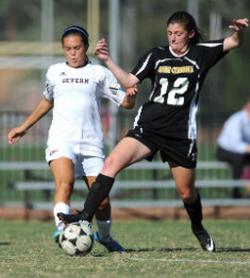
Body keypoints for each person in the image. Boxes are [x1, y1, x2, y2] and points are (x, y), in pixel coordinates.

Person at [58, 12, 249, 252]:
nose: (173, 38)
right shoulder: (156, 55)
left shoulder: (202, 53)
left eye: (178, 34)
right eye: (169, 33)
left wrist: (238, 32)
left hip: (180, 135)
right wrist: (107, 60)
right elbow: (129, 81)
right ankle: (84, 216)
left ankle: (198, 227)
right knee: (110, 165)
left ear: (190, 34)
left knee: (186, 192)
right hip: (148, 128)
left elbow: (233, 42)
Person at [8, 25, 136, 253]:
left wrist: (131, 96)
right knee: (64, 183)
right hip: (61, 140)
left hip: (91, 143)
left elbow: (125, 103)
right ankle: (62, 232)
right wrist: (24, 127)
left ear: (86, 47)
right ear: (63, 50)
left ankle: (105, 238)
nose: (73, 53)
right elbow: (47, 101)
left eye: (77, 48)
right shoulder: (55, 72)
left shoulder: (98, 73)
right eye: (68, 49)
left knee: (102, 201)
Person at [216, 98, 250, 198]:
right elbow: (236, 145)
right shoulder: (237, 119)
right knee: (239, 158)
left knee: (241, 157)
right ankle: (236, 191)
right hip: (224, 151)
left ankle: (245, 183)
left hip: (241, 152)